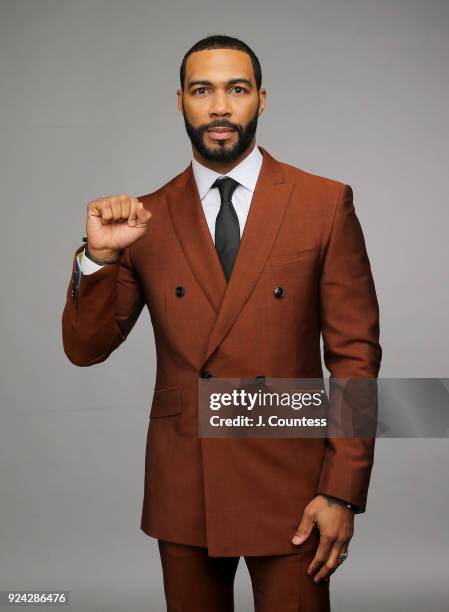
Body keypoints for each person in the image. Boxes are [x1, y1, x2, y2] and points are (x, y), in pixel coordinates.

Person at [62, 34, 382, 612]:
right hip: (187, 485)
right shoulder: (144, 218)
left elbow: (356, 358)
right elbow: (85, 348)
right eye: (201, 90)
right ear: (180, 101)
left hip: (294, 486)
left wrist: (342, 490)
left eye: (236, 90)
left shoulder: (323, 203)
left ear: (261, 98)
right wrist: (100, 258)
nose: (219, 107)